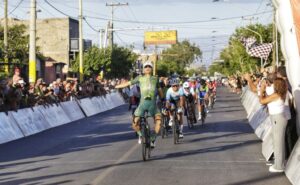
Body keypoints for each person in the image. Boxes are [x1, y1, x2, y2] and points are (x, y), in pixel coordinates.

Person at [115, 61, 163, 147]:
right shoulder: (139, 78)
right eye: (146, 67)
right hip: (142, 105)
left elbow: (160, 91)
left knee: (159, 122)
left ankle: (153, 139)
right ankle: (141, 135)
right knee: (134, 124)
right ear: (143, 69)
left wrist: (163, 99)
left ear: (152, 69)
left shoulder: (156, 79)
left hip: (153, 106)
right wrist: (117, 86)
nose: (147, 68)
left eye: (149, 66)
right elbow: (128, 83)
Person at [259, 78, 289, 173]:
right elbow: (268, 97)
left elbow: (262, 101)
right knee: (278, 142)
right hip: (278, 118)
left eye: (274, 84)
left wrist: (261, 90)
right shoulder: (280, 93)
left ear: (277, 86)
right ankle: (279, 163)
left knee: (278, 143)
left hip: (278, 118)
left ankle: (279, 166)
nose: (273, 85)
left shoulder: (276, 95)